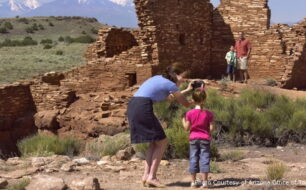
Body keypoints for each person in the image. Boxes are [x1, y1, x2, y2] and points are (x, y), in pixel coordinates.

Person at [127, 62, 194, 188]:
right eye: (182, 76)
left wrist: (187, 90)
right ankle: (152, 177)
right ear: (175, 74)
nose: (183, 79)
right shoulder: (169, 84)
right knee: (162, 142)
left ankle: (146, 176)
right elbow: (185, 104)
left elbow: (169, 98)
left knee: (154, 142)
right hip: (143, 106)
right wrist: (196, 101)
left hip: (134, 105)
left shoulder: (158, 78)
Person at [182, 88, 214, 188]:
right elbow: (211, 128)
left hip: (193, 139)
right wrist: (206, 131)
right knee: (205, 158)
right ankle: (205, 182)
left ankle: (193, 182)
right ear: (204, 100)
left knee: (193, 158)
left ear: (192, 99)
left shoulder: (189, 113)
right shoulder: (209, 114)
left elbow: (186, 128)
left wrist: (183, 120)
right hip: (205, 138)